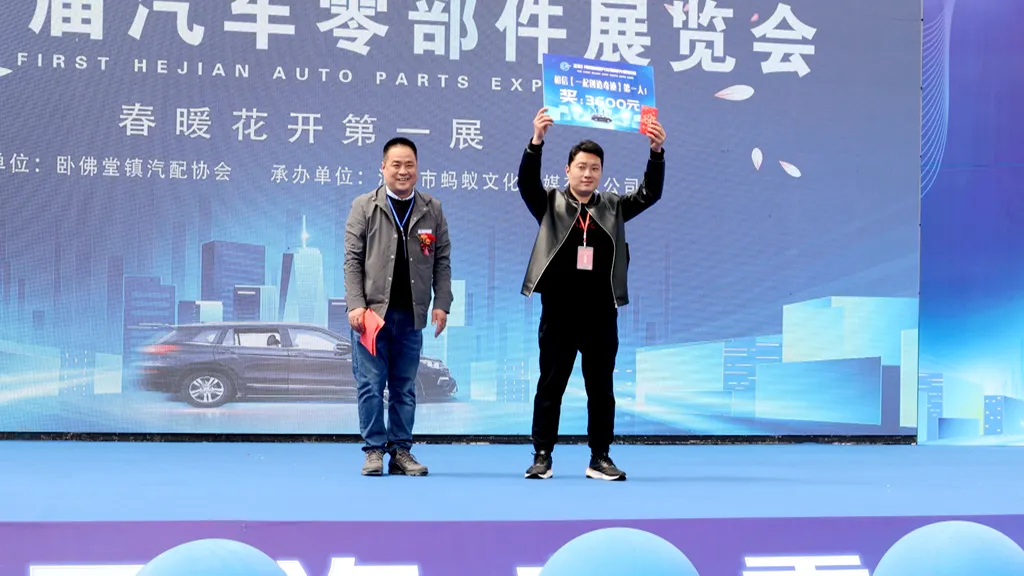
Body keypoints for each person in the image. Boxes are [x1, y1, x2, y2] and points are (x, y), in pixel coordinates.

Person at [518, 107, 666, 481]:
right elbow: (526, 184)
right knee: (550, 385)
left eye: (594, 168)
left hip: (601, 313)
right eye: (581, 167)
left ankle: (600, 457)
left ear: (601, 173)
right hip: (559, 311)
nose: (587, 174)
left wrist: (656, 152)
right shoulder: (550, 203)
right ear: (567, 170)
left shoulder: (613, 206)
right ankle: (542, 455)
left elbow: (650, 194)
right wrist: (537, 141)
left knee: (601, 388)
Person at [344, 137, 453, 477]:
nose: (403, 171)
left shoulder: (432, 208)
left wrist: (442, 303)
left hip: (411, 316)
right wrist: (355, 304)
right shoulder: (365, 205)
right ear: (383, 167)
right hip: (372, 317)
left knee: (404, 387)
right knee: (371, 386)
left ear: (417, 169)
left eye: (409, 165)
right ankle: (374, 451)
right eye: (396, 165)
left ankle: (401, 451)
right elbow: (352, 260)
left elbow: (442, 260)